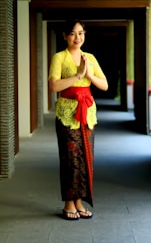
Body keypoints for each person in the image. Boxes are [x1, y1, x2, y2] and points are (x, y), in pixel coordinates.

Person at [48, 19, 108, 220]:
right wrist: (78, 75)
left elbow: (104, 85)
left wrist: (88, 73)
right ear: (65, 36)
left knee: (85, 158)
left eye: (81, 33)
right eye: (73, 33)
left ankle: (79, 201)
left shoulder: (90, 57)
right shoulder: (59, 57)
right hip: (67, 115)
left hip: (87, 114)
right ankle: (68, 203)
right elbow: (54, 86)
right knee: (70, 159)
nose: (77, 37)